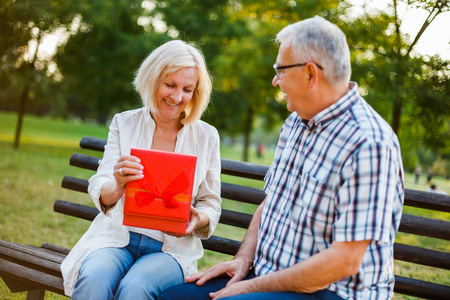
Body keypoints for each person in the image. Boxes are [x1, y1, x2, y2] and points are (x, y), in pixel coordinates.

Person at [159, 16, 404, 300]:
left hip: (332, 292)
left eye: (281, 70)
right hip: (268, 275)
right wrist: (242, 260)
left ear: (311, 74)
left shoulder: (369, 143)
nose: (276, 81)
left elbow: (344, 261)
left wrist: (250, 287)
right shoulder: (296, 121)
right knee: (173, 298)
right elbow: (271, 201)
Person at [60, 40, 222, 300]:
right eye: (169, 85)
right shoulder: (124, 123)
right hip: (116, 238)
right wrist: (119, 182)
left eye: (187, 89)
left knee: (134, 288)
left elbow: (210, 202)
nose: (177, 97)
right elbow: (101, 185)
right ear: (152, 79)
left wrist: (197, 220)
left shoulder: (206, 136)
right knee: (93, 279)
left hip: (170, 251)